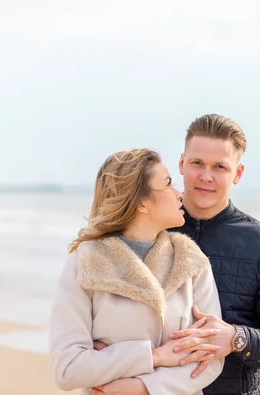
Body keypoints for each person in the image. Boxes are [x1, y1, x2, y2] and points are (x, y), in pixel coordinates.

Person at [48, 148, 225, 395]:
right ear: (141, 201)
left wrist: (143, 387)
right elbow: (67, 368)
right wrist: (154, 356)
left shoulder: (192, 261)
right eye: (168, 184)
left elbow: (209, 357)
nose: (179, 194)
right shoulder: (85, 262)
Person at [168, 114, 260, 394]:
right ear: (182, 164)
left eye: (219, 166)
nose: (206, 176)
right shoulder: (150, 229)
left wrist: (235, 338)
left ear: (238, 173)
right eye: (198, 163)